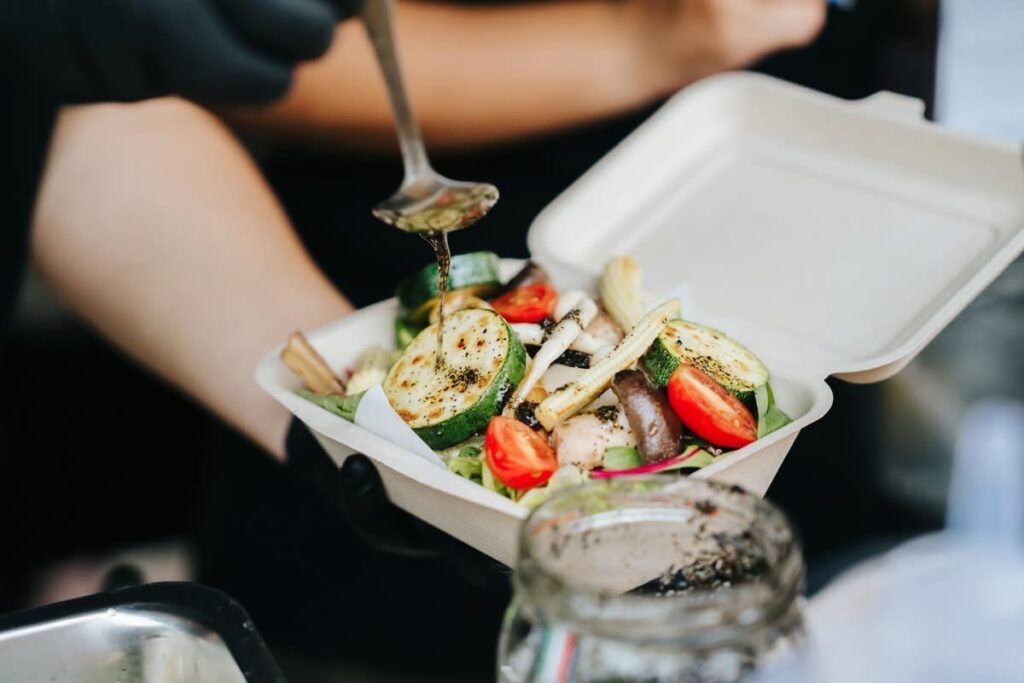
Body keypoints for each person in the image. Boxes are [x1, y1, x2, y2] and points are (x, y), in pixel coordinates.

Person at [25, 0, 827, 676]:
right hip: (371, 241)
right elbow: (89, 105)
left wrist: (338, 410)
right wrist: (649, 42)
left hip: (779, 225)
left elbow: (75, 125)